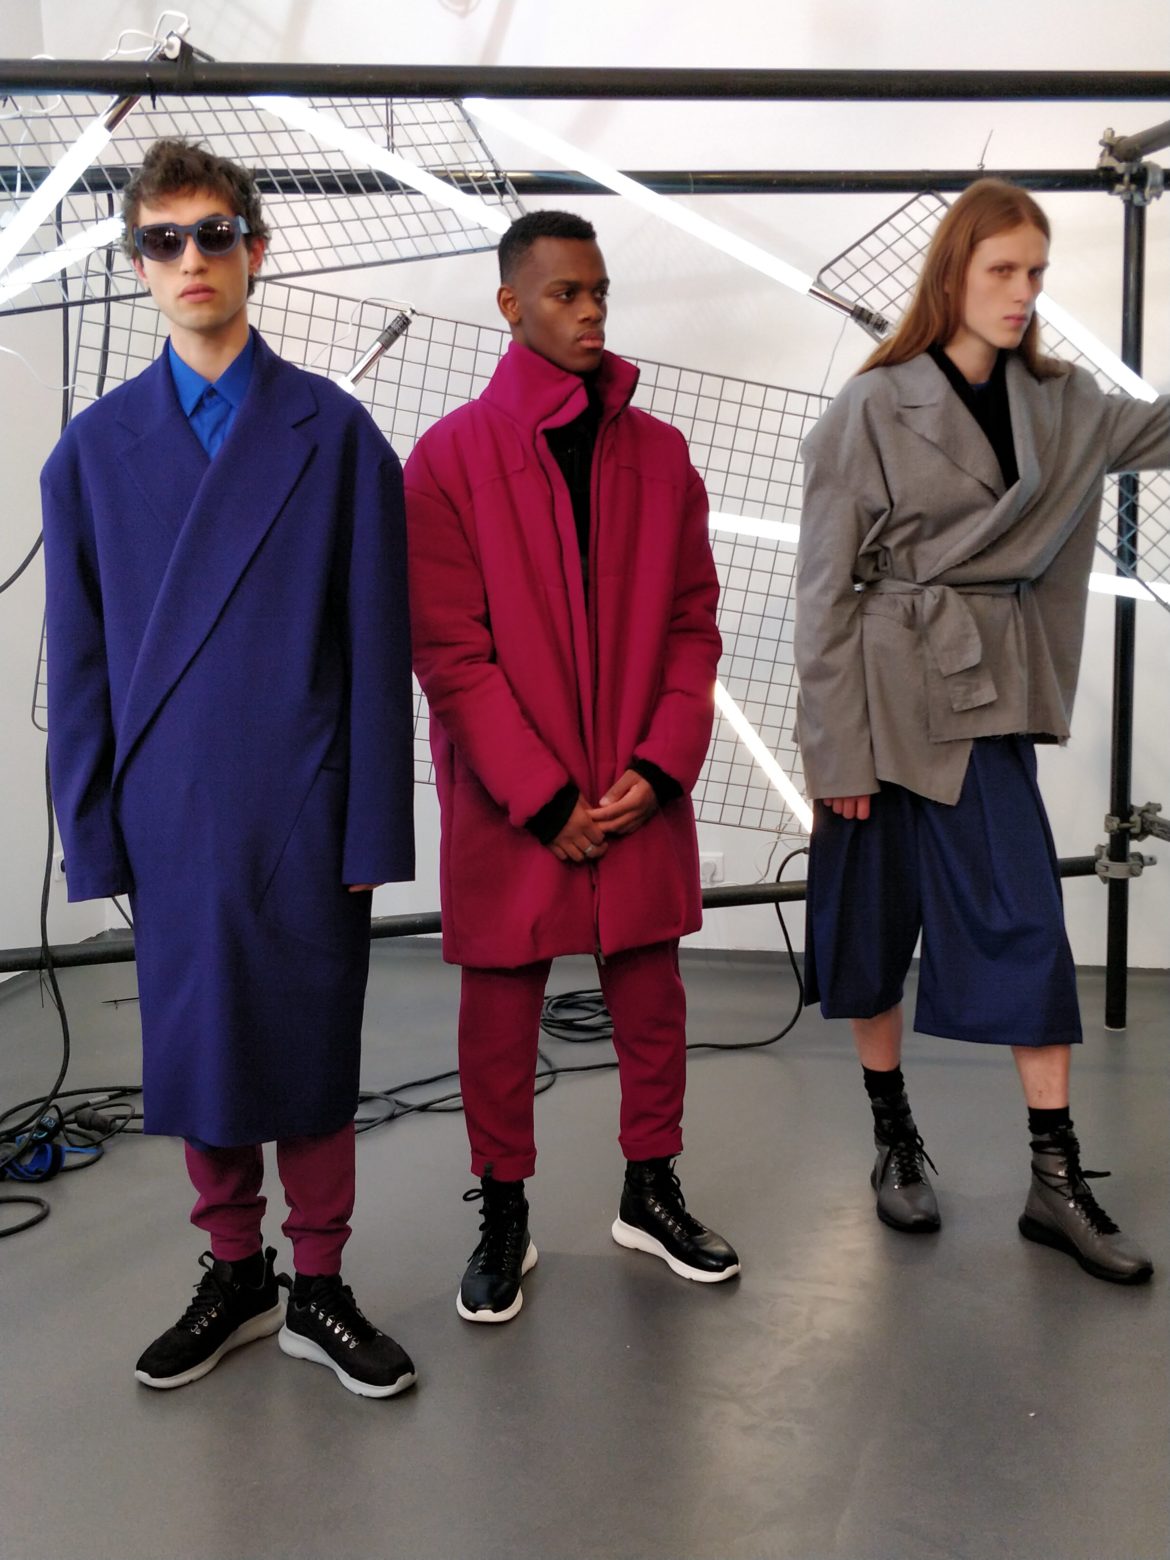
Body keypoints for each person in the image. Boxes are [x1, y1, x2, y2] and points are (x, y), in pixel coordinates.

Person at [41, 139, 418, 1393]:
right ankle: (237, 1271)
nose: (191, 259)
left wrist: (373, 830)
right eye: (164, 240)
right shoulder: (90, 456)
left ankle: (321, 1283)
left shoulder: (339, 436)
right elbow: (80, 665)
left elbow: (378, 651)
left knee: (309, 1045)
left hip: (305, 799)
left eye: (213, 234)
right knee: (199, 1049)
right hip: (173, 810)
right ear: (137, 263)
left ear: (257, 247)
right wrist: (95, 833)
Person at [795, 177, 1166, 1284]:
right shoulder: (873, 405)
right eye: (1003, 269)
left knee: (1025, 925)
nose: (1023, 291)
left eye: (1036, 272)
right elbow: (824, 599)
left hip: (982, 700)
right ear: (953, 272)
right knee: (870, 932)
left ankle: (1055, 1179)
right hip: (878, 703)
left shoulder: (1063, 401)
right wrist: (837, 754)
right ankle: (894, 1135)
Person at [404, 210, 739, 1322]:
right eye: (566, 293)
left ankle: (651, 1190)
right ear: (511, 305)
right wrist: (542, 796)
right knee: (499, 1012)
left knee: (651, 997)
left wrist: (665, 761)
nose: (591, 310)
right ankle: (504, 1209)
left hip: (636, 786)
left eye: (600, 291)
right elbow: (448, 653)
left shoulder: (662, 456)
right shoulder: (448, 460)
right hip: (517, 799)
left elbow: (693, 624)